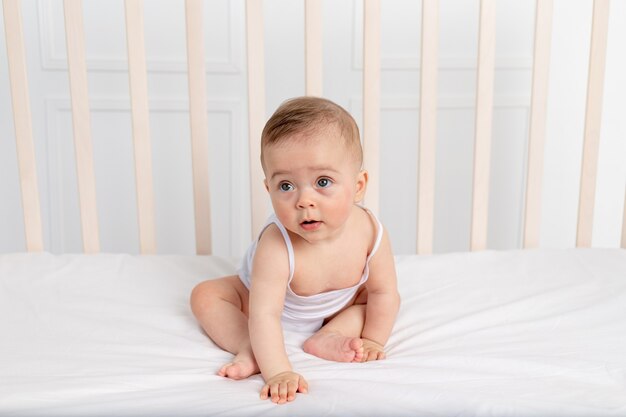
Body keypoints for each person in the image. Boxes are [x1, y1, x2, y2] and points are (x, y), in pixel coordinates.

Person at [190, 96, 400, 404]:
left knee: (371, 303)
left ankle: (329, 336)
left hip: (337, 308)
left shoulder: (370, 231)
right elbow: (264, 313)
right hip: (262, 303)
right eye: (286, 186)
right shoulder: (276, 245)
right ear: (269, 190)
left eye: (323, 181)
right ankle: (248, 347)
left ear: (358, 185)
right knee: (205, 296)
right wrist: (278, 372)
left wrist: (371, 340)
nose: (304, 200)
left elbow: (385, 293)